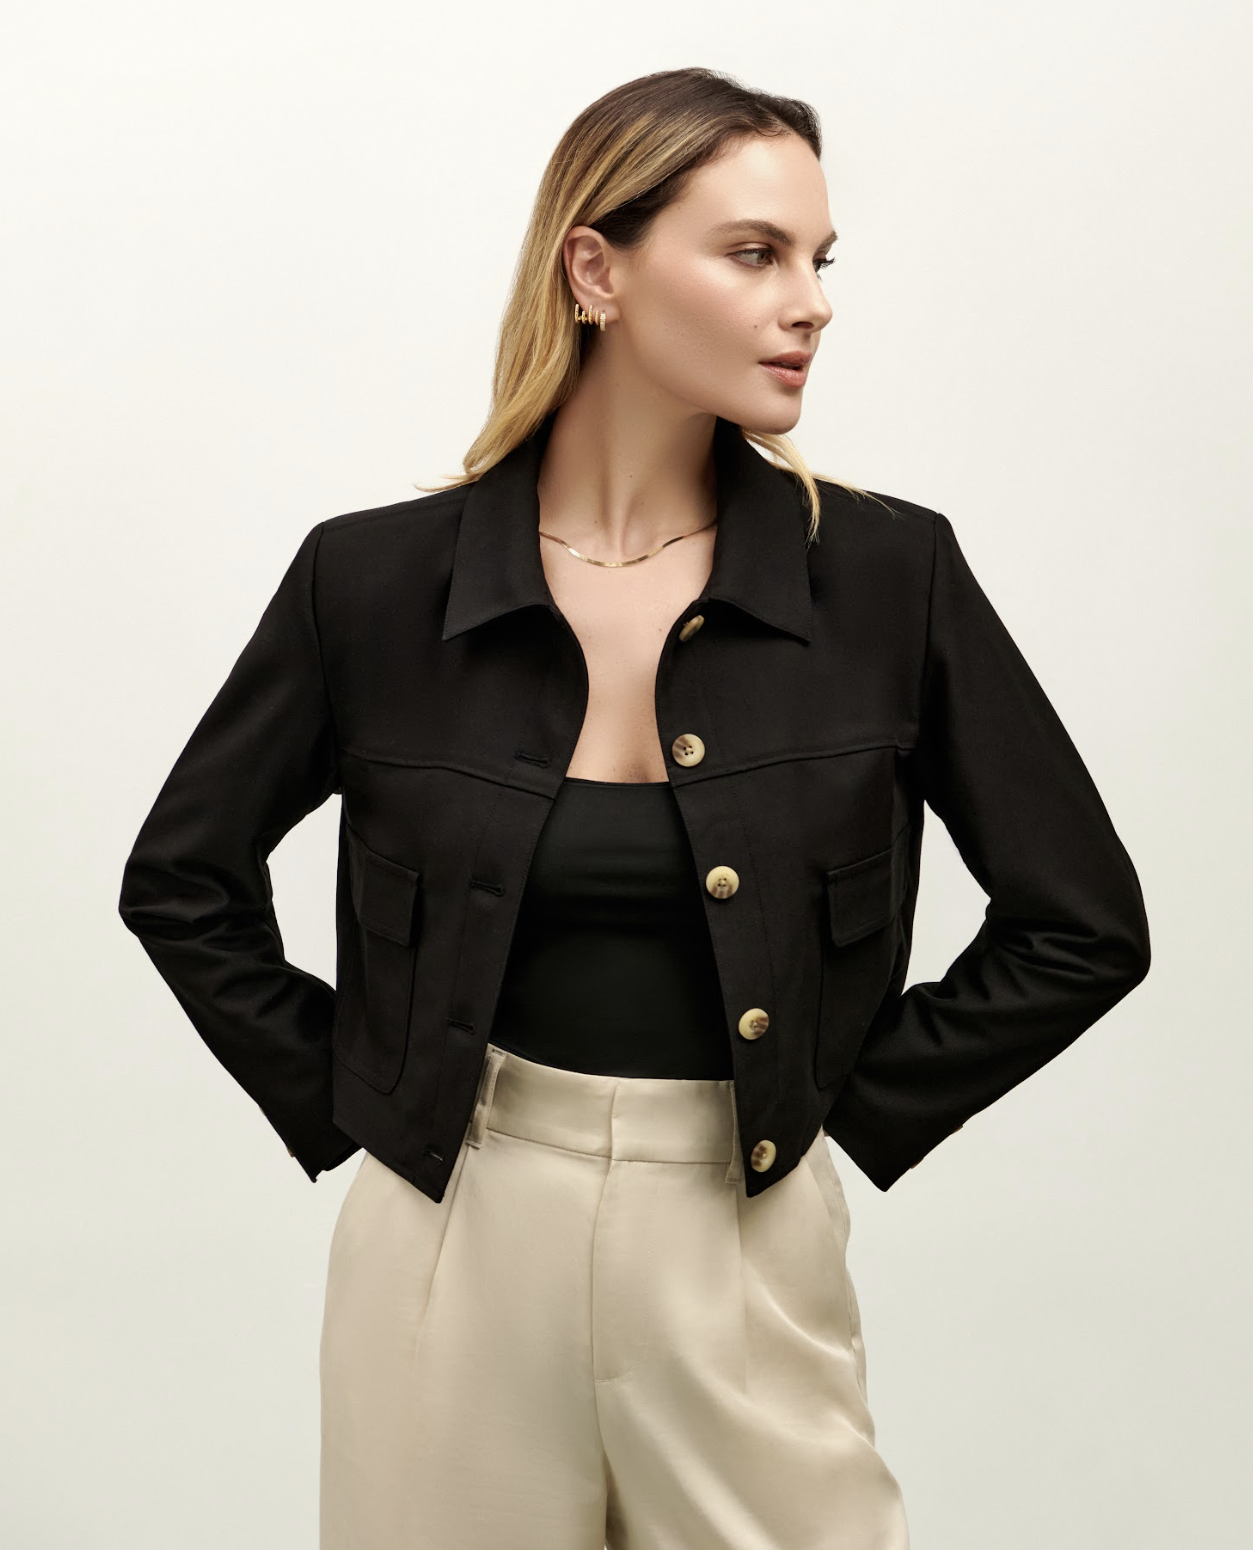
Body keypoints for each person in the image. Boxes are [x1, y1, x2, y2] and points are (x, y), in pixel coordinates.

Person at [117, 65, 1150, 1550]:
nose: (811, 304)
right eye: (754, 254)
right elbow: (182, 875)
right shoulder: (374, 581)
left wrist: (837, 1108)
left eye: (819, 259)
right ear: (596, 270)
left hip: (740, 1235)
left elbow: (1082, 921)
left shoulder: (885, 576)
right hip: (447, 1238)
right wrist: (365, 1093)